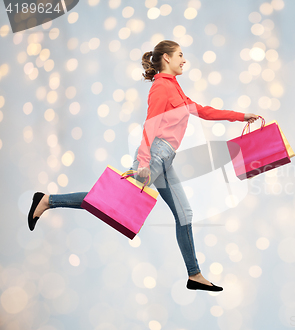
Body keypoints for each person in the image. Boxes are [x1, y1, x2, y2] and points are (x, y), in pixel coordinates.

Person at [28, 40, 260, 292]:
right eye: (180, 55)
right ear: (167, 58)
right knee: (110, 200)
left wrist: (241, 116)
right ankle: (47, 200)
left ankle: (194, 275)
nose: (184, 60)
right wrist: (145, 161)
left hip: (166, 159)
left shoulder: (176, 88)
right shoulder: (160, 87)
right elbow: (150, 124)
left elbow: (203, 111)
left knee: (185, 214)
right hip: (155, 155)